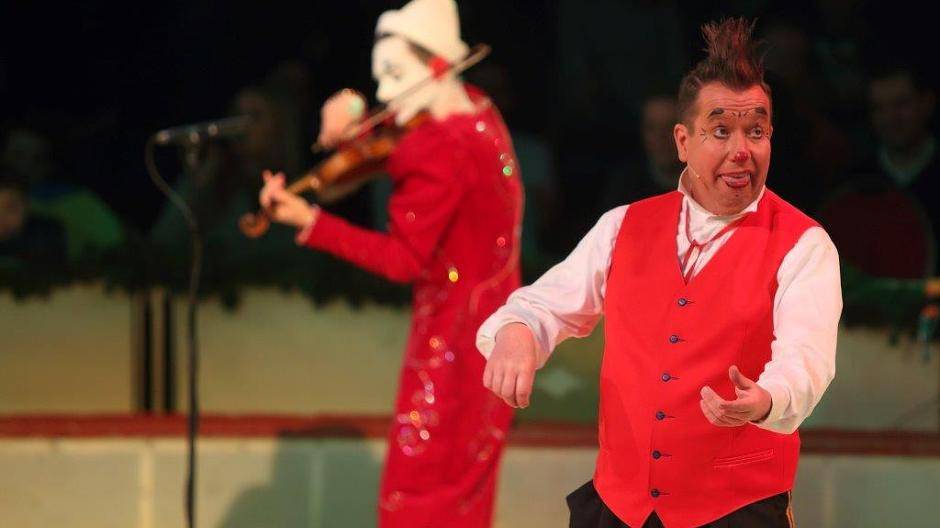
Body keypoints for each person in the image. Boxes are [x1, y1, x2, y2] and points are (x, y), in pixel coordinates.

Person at [477, 18, 842, 528]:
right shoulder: (622, 226)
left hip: (734, 509)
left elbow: (806, 359)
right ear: (682, 141)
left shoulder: (803, 244)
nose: (742, 150)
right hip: (620, 505)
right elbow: (543, 305)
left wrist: (767, 399)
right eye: (721, 131)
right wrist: (518, 333)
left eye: (756, 131)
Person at [256, 1, 523, 526]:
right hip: (496, 334)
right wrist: (356, 111)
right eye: (379, 77)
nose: (384, 93)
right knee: (465, 493)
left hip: (451, 344)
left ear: (439, 66)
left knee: (415, 493)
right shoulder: (477, 110)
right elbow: (398, 130)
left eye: (394, 75)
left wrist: (311, 221)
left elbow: (402, 260)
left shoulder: (437, 148)